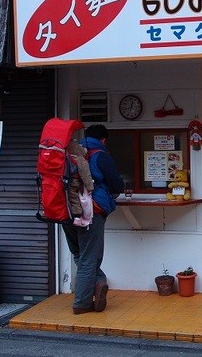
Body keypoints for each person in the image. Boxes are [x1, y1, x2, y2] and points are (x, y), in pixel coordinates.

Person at [62, 124, 124, 315]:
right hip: (90, 212)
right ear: (103, 140)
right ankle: (82, 303)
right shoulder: (100, 156)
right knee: (90, 258)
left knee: (79, 254)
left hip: (65, 211)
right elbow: (116, 185)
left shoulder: (69, 154)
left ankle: (97, 283)